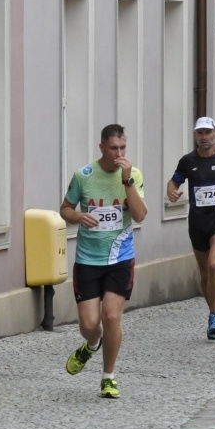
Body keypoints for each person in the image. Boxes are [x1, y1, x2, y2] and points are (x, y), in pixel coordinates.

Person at [61, 124, 148, 399]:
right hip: (88, 259)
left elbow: (140, 215)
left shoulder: (133, 175)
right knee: (89, 324)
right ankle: (91, 344)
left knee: (111, 316)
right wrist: (77, 217)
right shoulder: (83, 176)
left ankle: (108, 377)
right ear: (102, 148)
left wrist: (126, 181)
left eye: (122, 148)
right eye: (113, 148)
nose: (118, 154)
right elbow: (65, 209)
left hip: (120, 256)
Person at [167, 117, 215, 341]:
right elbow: (174, 182)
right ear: (195, 135)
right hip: (198, 221)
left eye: (208, 132)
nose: (204, 137)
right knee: (204, 272)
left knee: (214, 263)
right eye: (200, 133)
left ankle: (214, 316)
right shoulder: (188, 161)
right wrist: (171, 192)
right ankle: (214, 310)